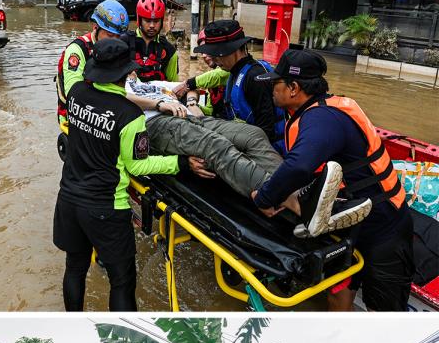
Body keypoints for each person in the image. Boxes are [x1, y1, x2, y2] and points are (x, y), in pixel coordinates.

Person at [251, 50, 410, 309]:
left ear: (293, 88)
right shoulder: (312, 113)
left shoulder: (322, 119)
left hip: (382, 226)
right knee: (338, 292)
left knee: (384, 309)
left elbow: (299, 166)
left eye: (275, 83)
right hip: (348, 221)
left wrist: (266, 197)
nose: (271, 89)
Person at [124, 72, 350, 235]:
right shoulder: (120, 91)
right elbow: (120, 101)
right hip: (156, 126)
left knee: (253, 134)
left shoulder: (154, 82)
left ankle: (298, 189)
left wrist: (191, 101)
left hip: (191, 118)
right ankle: (294, 203)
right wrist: (158, 103)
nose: (131, 71)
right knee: (217, 146)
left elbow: (188, 86)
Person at [54, 37, 181, 311]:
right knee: (122, 281)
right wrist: (177, 162)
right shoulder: (130, 116)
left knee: (74, 268)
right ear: (126, 73)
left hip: (69, 199)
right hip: (106, 208)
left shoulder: (76, 94)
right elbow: (137, 166)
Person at [194, 19, 287, 153]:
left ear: (235, 49)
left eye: (216, 53)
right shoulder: (234, 72)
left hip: (267, 152)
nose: (213, 59)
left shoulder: (255, 77)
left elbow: (266, 130)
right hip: (244, 141)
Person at [55, 0, 129, 125]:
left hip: (106, 109)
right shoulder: (78, 50)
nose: (115, 42)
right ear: (95, 28)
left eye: (119, 37)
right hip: (76, 114)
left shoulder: (116, 49)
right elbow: (74, 94)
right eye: (110, 36)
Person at [127, 0, 178, 83]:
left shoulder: (170, 51)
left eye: (156, 21)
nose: (152, 26)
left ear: (162, 21)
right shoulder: (124, 43)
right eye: (147, 21)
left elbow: (174, 84)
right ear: (139, 20)